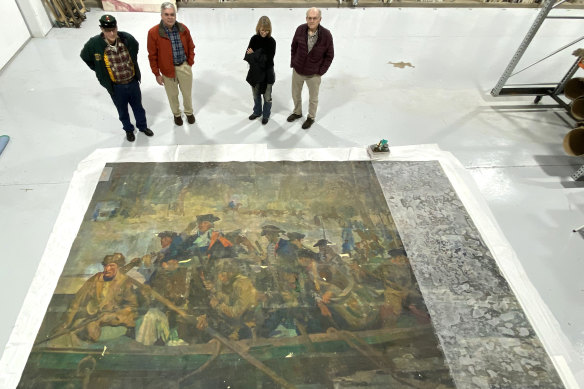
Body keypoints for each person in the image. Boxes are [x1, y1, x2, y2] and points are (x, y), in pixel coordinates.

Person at [80, 15, 154, 142]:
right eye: (108, 30)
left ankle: (142, 126)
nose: (112, 33)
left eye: (114, 29)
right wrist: (99, 69)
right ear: (102, 29)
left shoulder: (126, 38)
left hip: (132, 82)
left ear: (116, 27)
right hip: (116, 86)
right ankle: (128, 130)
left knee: (138, 107)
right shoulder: (94, 43)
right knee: (122, 111)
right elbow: (85, 56)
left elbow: (135, 48)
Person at [59, 253, 138, 342]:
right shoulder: (96, 279)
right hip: (94, 317)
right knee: (74, 331)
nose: (107, 269)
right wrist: (65, 324)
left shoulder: (125, 282)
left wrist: (115, 315)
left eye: (111, 266)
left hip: (115, 322)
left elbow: (132, 306)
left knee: (91, 332)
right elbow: (76, 302)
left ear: (119, 267)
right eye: (105, 266)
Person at [147, 2, 196, 126]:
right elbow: (152, 55)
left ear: (175, 15)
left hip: (184, 67)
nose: (170, 17)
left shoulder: (183, 29)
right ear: (162, 15)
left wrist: (189, 62)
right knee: (172, 95)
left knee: (187, 93)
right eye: (167, 14)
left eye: (172, 14)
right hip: (167, 70)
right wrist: (156, 73)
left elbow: (191, 46)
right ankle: (177, 114)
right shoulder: (153, 33)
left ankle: (189, 112)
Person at [287, 7, 334, 130]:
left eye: (314, 18)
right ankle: (297, 112)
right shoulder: (300, 29)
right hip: (298, 70)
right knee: (295, 94)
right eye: (309, 18)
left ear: (320, 19)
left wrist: (321, 71)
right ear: (306, 18)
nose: (312, 20)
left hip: (314, 73)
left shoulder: (326, 35)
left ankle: (311, 117)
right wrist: (294, 62)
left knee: (313, 98)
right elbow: (293, 47)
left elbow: (329, 55)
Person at [244, 16, 276, 125]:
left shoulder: (272, 42)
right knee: (255, 95)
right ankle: (257, 112)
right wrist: (260, 54)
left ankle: (266, 114)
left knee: (267, 97)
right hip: (255, 73)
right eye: (262, 30)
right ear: (258, 28)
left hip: (267, 74)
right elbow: (247, 57)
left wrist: (254, 54)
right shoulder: (254, 39)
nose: (264, 32)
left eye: (267, 30)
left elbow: (268, 60)